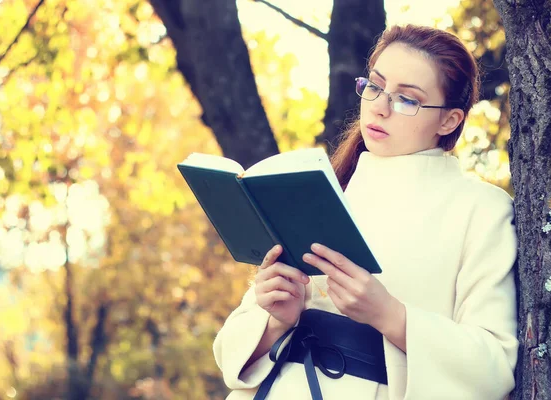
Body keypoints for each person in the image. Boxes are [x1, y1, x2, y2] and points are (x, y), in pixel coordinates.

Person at [213, 24, 518, 400]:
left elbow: (495, 367)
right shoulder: (320, 191)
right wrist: (275, 318)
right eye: (375, 86)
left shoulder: (482, 209)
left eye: (407, 100)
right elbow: (228, 355)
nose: (380, 107)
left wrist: (389, 314)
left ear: (449, 120)